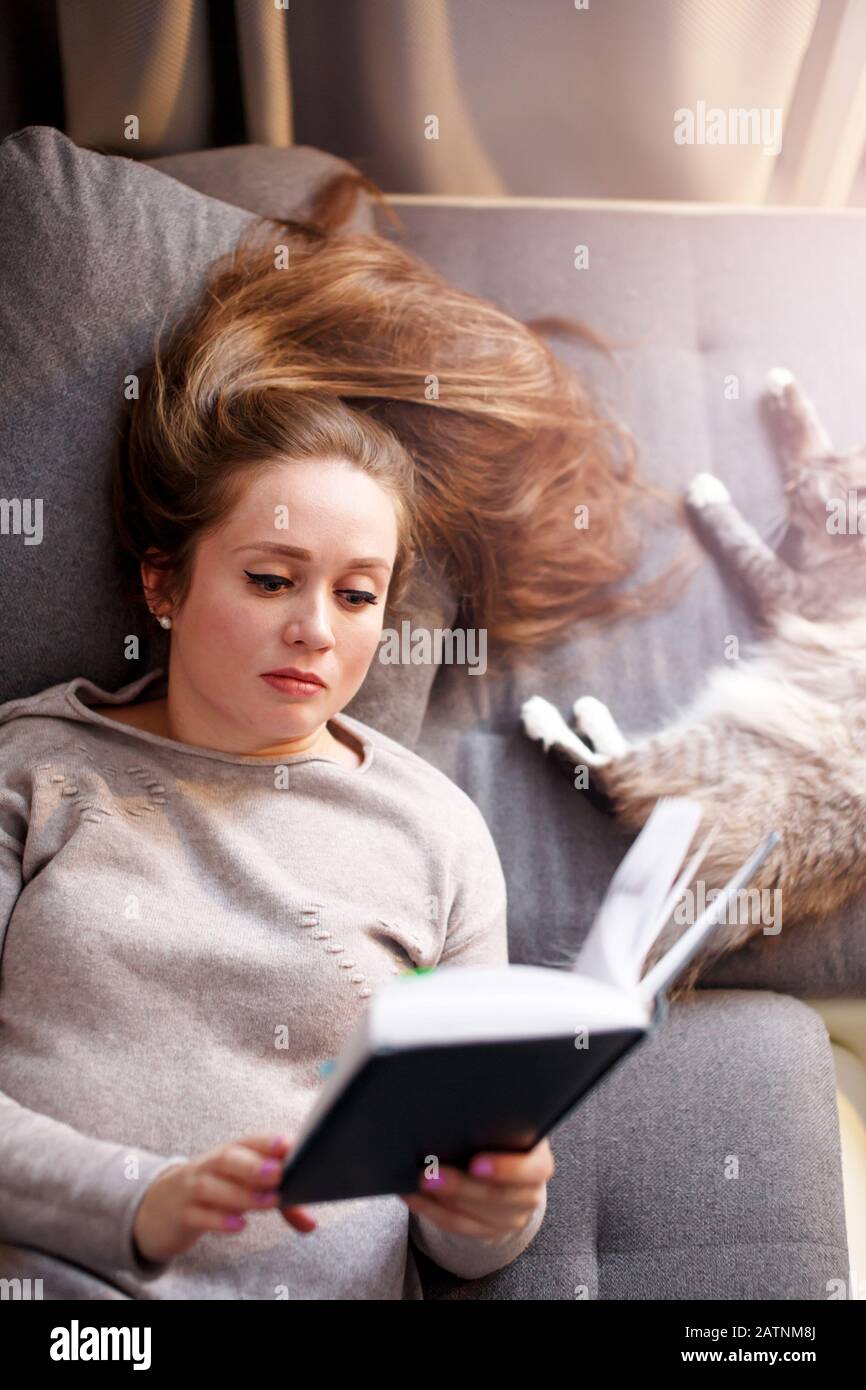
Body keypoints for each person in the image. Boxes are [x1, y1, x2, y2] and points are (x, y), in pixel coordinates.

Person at [0, 197, 684, 1298]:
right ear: (163, 582)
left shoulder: (434, 830)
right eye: (269, 579)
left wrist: (494, 1208)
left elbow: (461, 1241)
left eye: (357, 593)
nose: (316, 626)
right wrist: (141, 1196)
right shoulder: (34, 769)